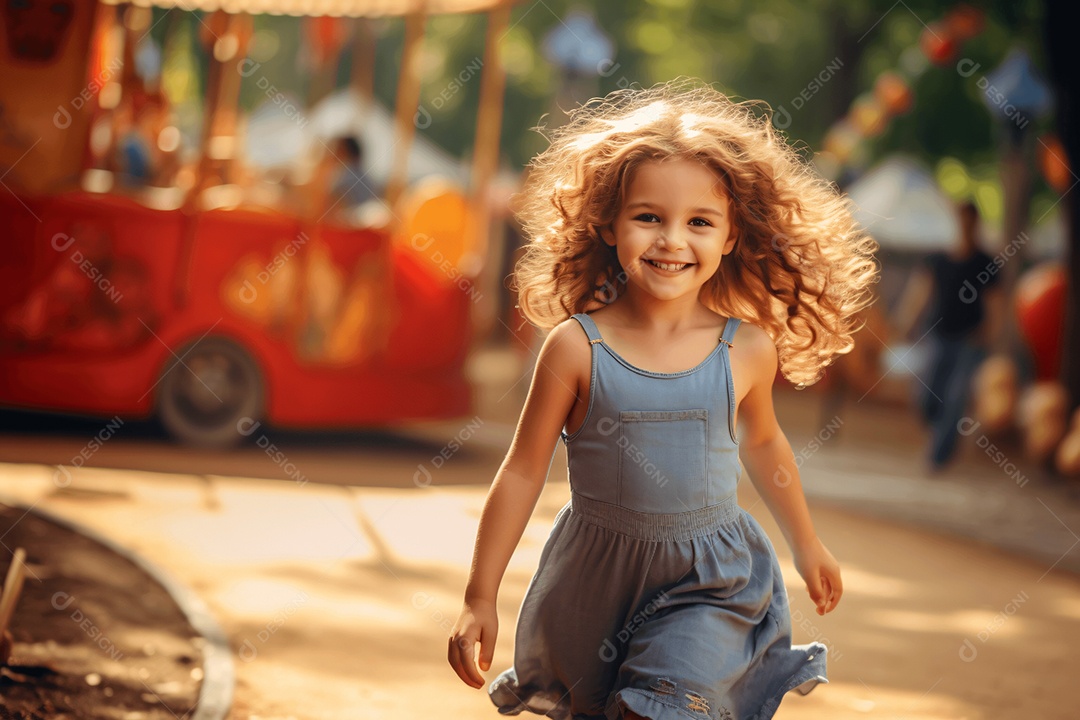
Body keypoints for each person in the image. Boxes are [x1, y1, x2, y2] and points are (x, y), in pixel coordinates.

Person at [447, 79, 877, 720]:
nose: (673, 240)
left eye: (699, 222)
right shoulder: (574, 349)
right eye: (649, 217)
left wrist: (806, 543)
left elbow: (763, 443)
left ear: (730, 236)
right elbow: (522, 468)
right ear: (609, 223)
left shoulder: (747, 350)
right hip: (595, 580)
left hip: (713, 580)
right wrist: (479, 596)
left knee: (668, 702)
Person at [893, 200, 1005, 472]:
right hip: (937, 335)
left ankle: (938, 457)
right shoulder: (937, 259)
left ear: (976, 223)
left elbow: (995, 303)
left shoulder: (985, 263)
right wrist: (906, 322)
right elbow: (920, 293)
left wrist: (990, 334)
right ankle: (941, 434)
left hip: (969, 340)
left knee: (956, 398)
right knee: (927, 397)